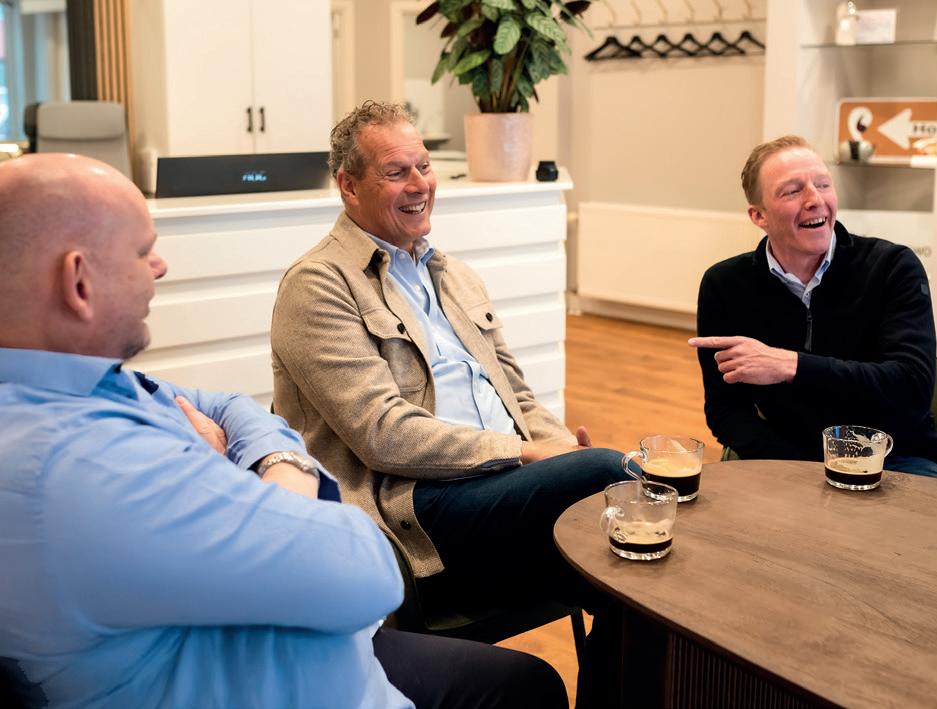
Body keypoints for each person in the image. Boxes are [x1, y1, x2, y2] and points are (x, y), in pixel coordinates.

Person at [0, 153, 569, 709]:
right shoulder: (96, 466)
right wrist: (262, 471)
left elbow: (228, 405)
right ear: (79, 281)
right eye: (141, 252)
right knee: (591, 492)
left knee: (530, 676)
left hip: (293, 644)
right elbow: (368, 578)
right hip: (298, 669)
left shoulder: (75, 386)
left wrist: (267, 463)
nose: (160, 266)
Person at [270, 102, 628, 706]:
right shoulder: (318, 285)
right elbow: (384, 434)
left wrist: (558, 444)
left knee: (639, 575)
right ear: (349, 186)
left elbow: (516, 394)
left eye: (424, 166)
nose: (419, 184)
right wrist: (527, 455)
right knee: (613, 476)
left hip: (498, 494)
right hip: (419, 513)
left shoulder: (454, 275)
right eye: (396, 172)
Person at [689, 135, 937, 478]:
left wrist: (791, 365)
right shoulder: (724, 285)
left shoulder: (893, 267)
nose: (816, 200)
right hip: (788, 460)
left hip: (894, 457)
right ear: (758, 215)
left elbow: (911, 389)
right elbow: (726, 410)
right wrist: (801, 472)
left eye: (823, 184)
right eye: (792, 191)